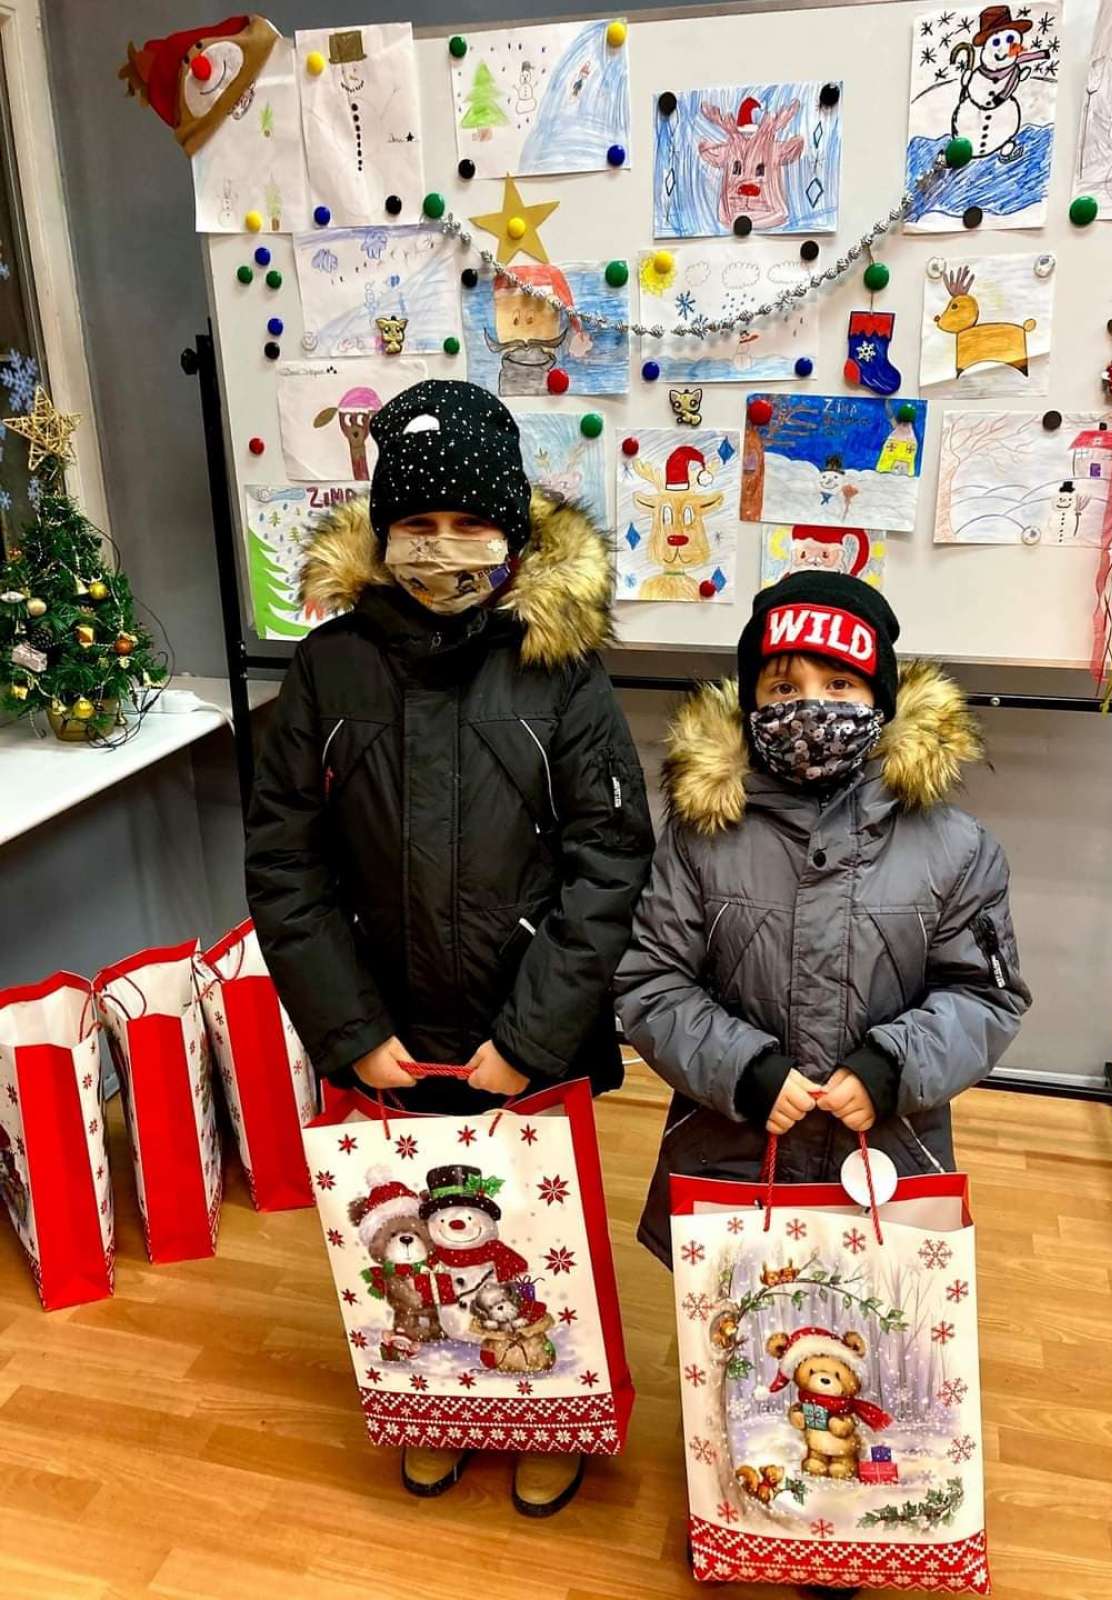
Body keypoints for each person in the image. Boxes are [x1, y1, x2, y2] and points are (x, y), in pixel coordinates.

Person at [245, 379, 654, 1518]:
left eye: (468, 523)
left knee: (533, 1239)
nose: (441, 546)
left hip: (528, 1033)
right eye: (416, 524)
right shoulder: (328, 669)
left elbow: (610, 859)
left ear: (511, 533)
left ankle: (551, 1414)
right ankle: (439, 1411)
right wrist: (347, 1028)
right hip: (387, 1033)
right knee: (412, 1248)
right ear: (382, 533)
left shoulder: (560, 668)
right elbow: (286, 863)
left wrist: (533, 1035)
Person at [615, 572, 1030, 1600]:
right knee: (734, 1334)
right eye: (782, 683)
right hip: (729, 1144)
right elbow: (650, 979)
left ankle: (839, 1521)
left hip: (882, 1155)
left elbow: (986, 991)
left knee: (865, 1335)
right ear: (749, 695)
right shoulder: (701, 834)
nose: (809, 705)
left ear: (880, 693)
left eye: (838, 682)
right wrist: (746, 1068)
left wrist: (891, 1066)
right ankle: (733, 1497)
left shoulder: (954, 846)